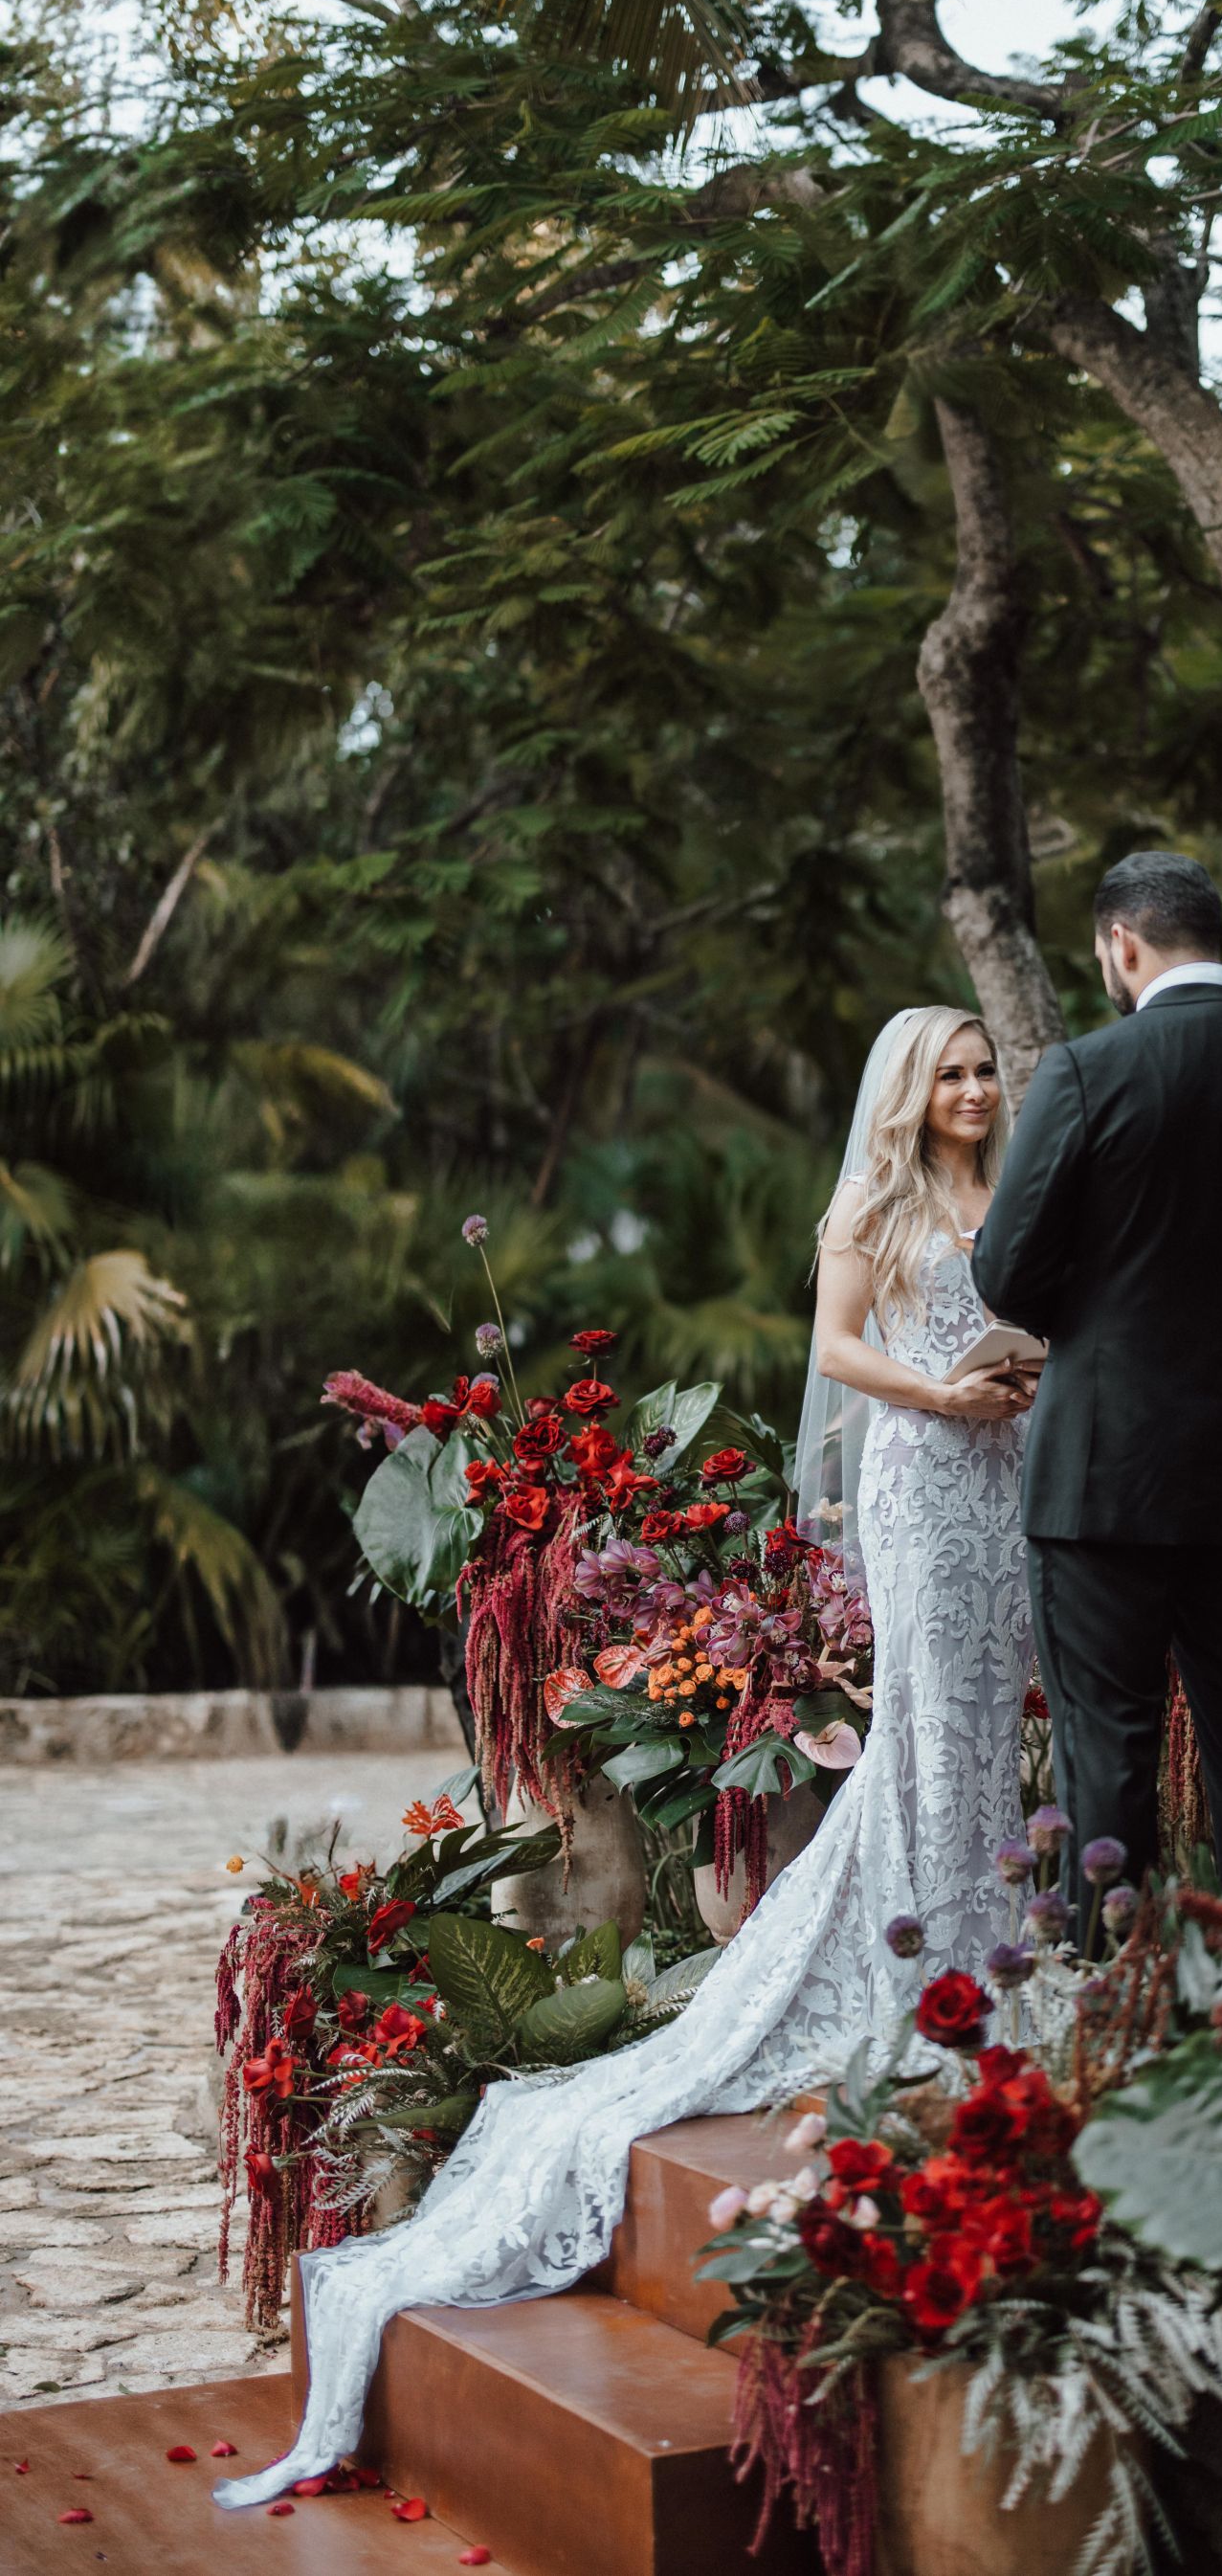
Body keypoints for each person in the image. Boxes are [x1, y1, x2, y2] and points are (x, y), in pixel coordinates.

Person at [215, 1003, 1036, 2510]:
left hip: (1010, 1483)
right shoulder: (872, 1200)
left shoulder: (1022, 1183)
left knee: (994, 1718)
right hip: (928, 1476)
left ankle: (987, 1925)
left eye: (988, 1069)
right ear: (910, 1092)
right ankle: (925, 1950)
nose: (978, 1090)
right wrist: (951, 1392)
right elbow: (843, 1351)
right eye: (954, 1071)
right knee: (922, 1715)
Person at [972, 850, 1222, 1910]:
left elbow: (1007, 1274)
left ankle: (1115, 1996)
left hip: (1105, 1473)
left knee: (1107, 1742)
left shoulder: (1084, 1073)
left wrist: (1100, 1318)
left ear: (1123, 942)